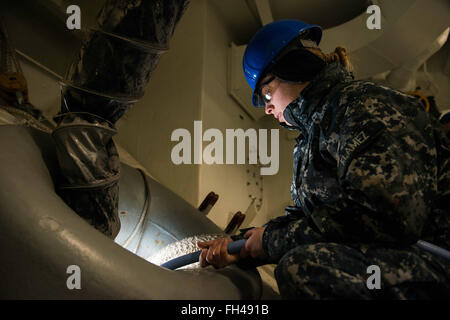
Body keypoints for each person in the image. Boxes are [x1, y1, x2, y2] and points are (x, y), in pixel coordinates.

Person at [197, 20, 450, 299]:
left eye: (268, 92)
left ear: (293, 68)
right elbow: (311, 218)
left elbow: (384, 213)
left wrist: (269, 242)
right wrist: (243, 245)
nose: (268, 108)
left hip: (436, 261)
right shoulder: (316, 131)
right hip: (404, 259)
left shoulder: (364, 104)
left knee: (306, 269)